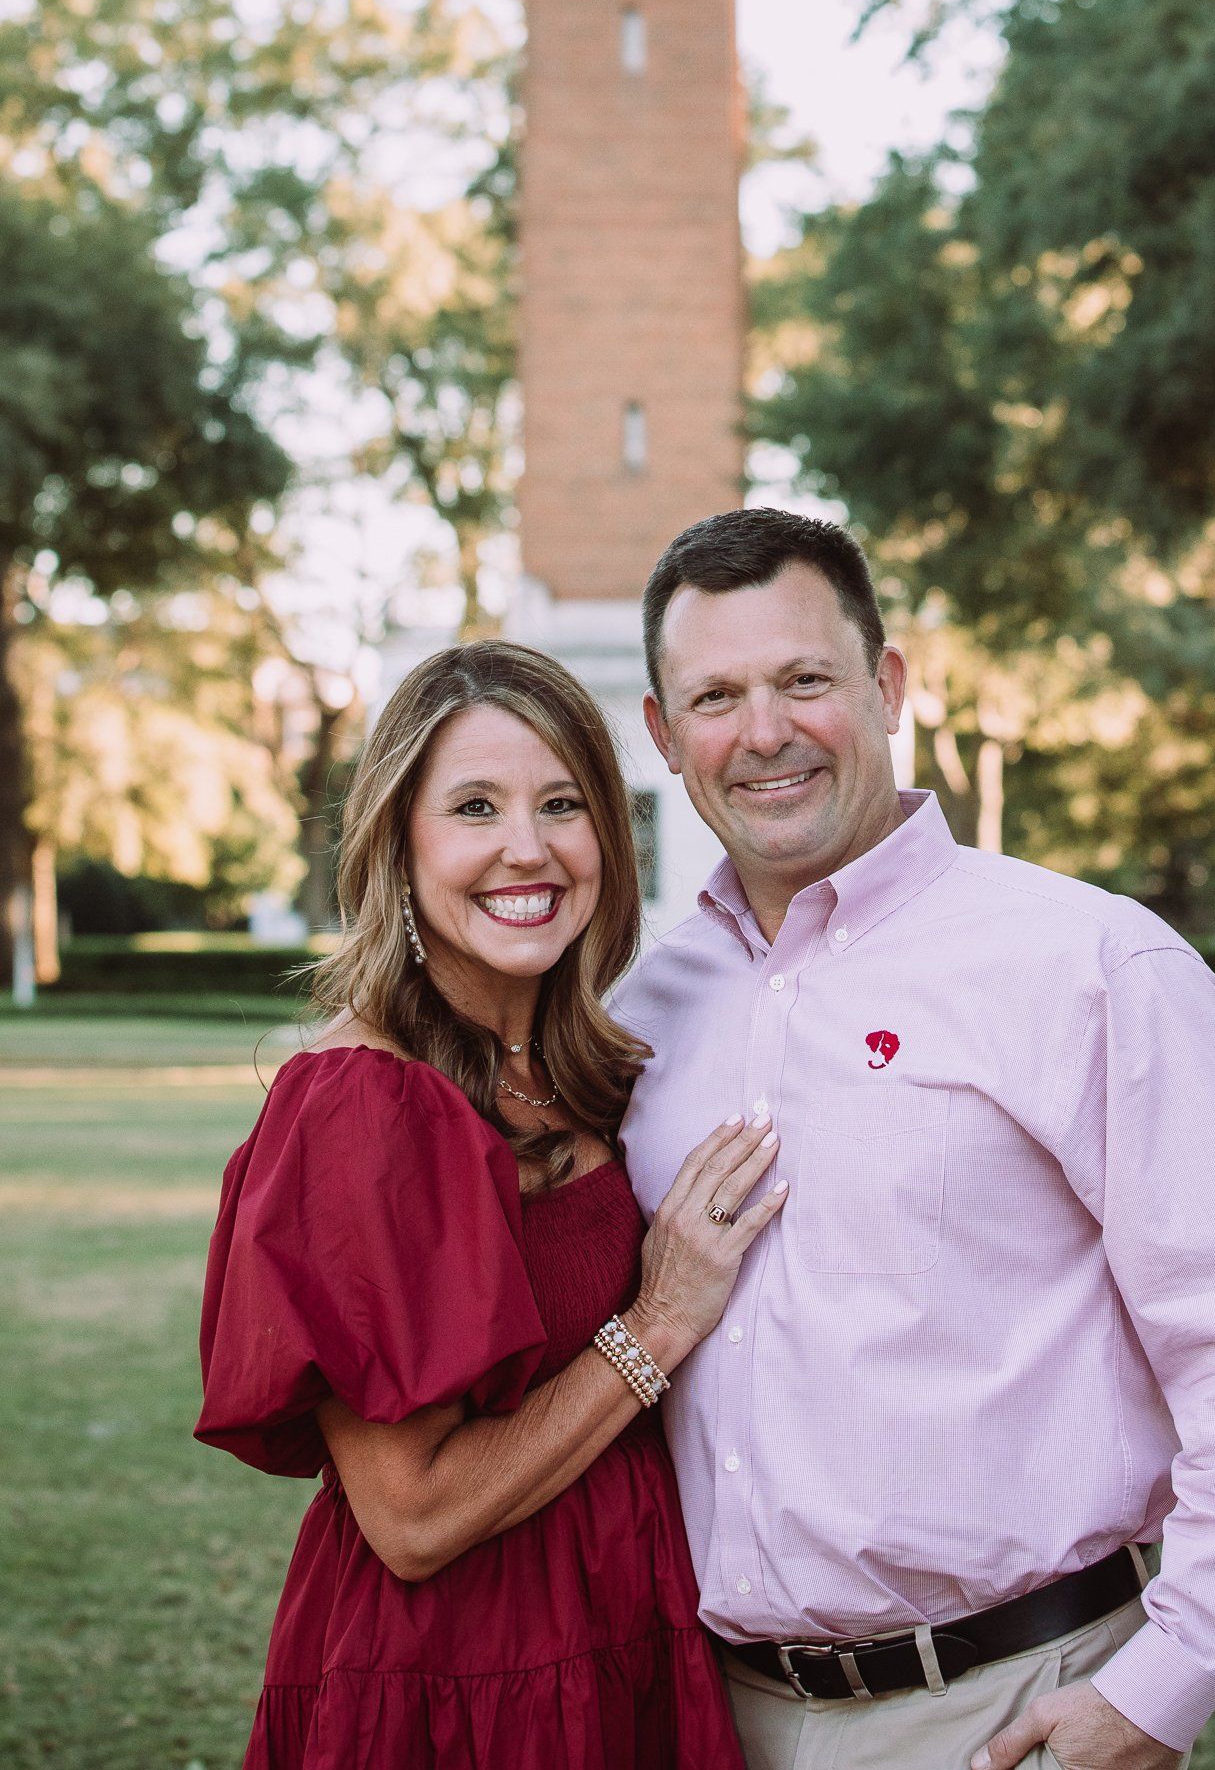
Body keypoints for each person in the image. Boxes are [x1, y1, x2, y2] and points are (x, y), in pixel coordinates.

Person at [616, 508, 1215, 1770]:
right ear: (663, 732)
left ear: (888, 684)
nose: (765, 732)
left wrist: (1164, 1682)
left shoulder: (1088, 961)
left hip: (1012, 1710)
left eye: (806, 678)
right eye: (717, 695)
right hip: (708, 1715)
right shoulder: (641, 1015)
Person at [197, 640, 787, 1770]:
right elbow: (411, 1517)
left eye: (563, 802)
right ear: (399, 841)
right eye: (476, 805)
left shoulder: (586, 1071)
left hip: (626, 1637)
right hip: (462, 1683)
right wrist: (659, 1322)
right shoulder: (364, 1106)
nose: (530, 845)